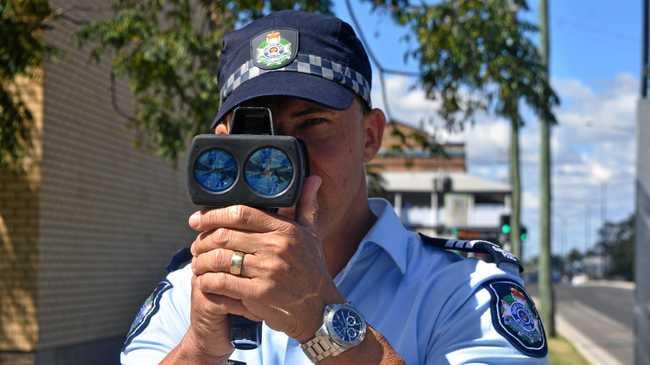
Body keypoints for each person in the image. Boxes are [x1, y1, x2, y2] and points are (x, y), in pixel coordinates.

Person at [121, 10, 548, 365]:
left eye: (312, 124)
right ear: (223, 142)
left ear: (369, 136)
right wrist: (197, 350)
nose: (285, 161)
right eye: (259, 134)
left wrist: (321, 316)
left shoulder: (462, 291)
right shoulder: (188, 292)